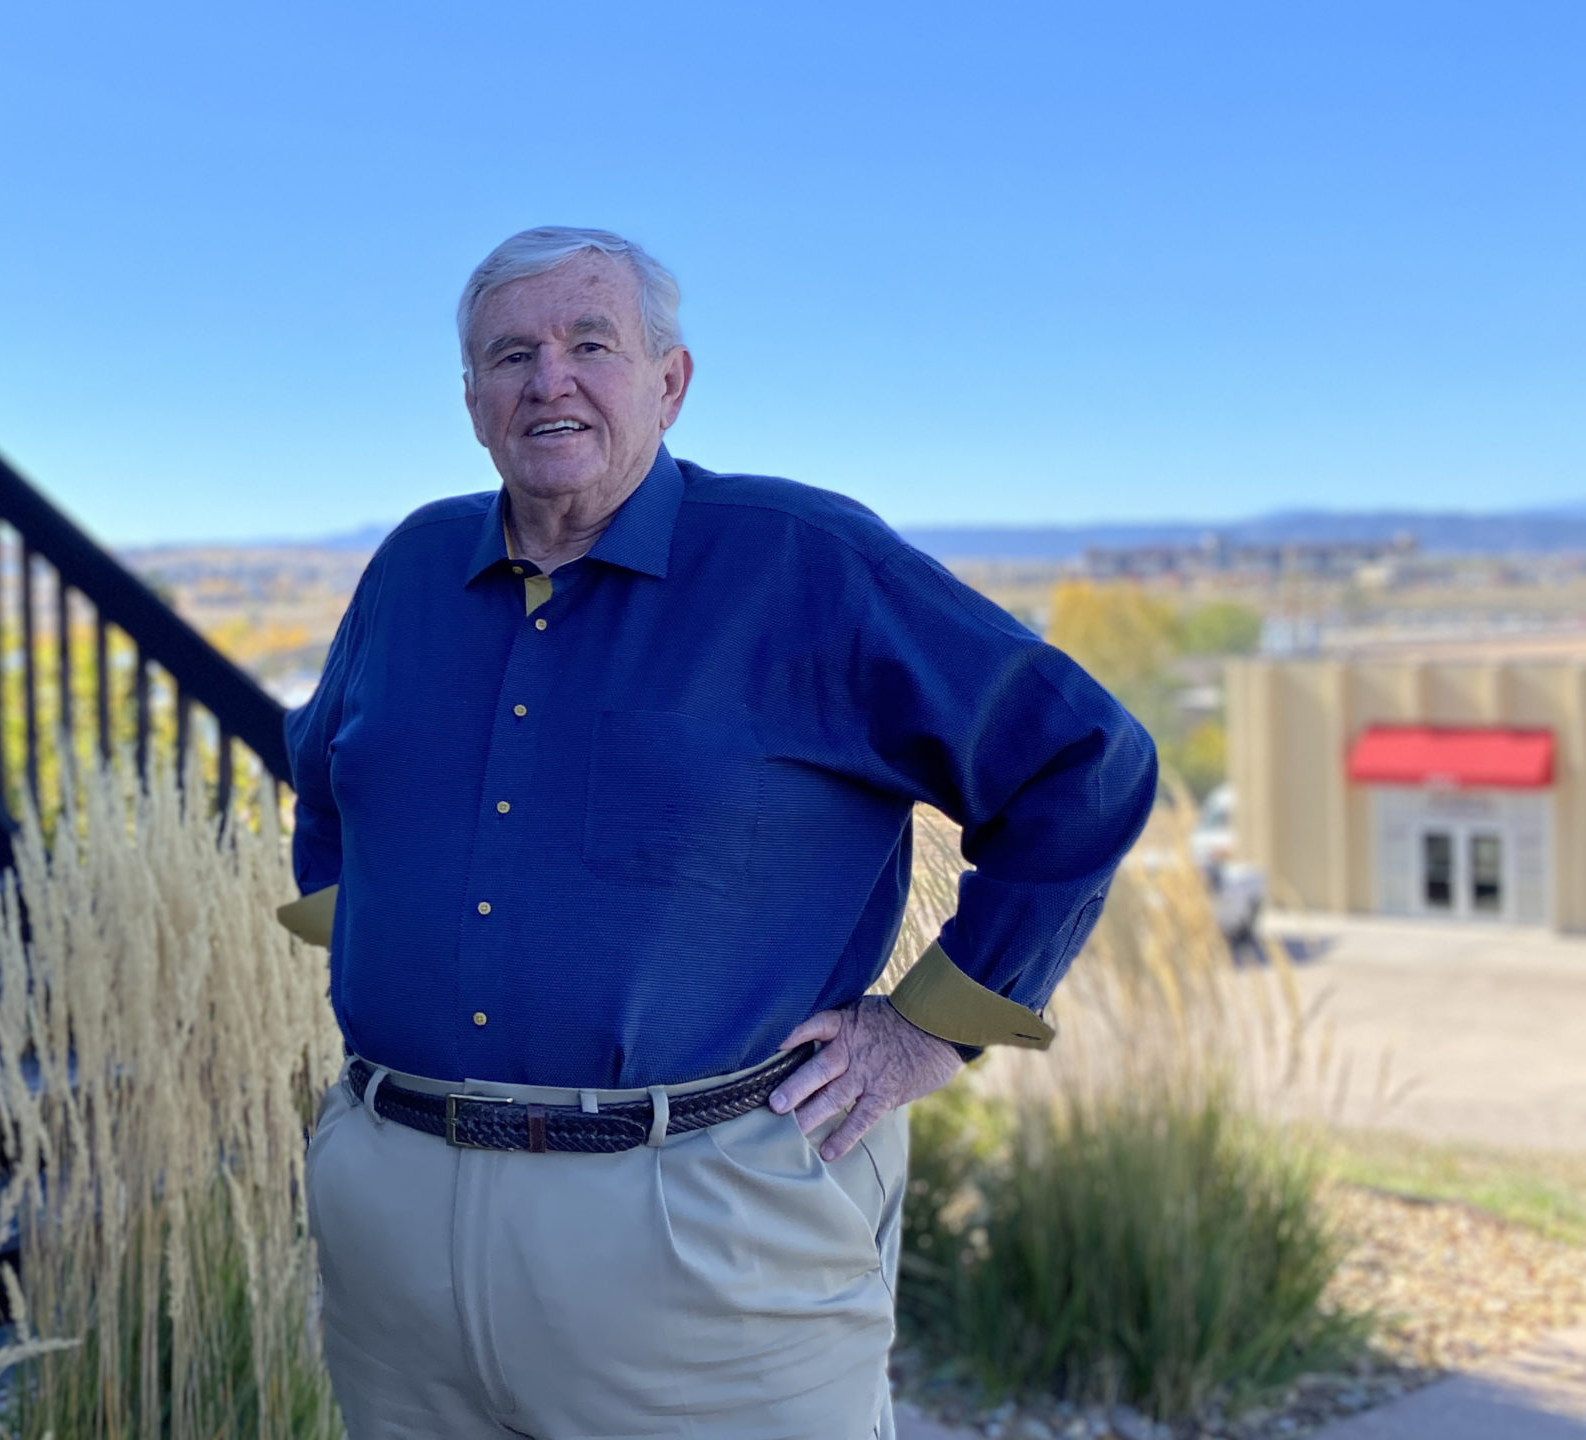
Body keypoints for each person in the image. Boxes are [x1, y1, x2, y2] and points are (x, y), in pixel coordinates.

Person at [279, 226, 1157, 1439]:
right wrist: (379, 945)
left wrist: (927, 1030)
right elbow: (324, 773)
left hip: (704, 1233)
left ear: (669, 381)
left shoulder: (806, 563)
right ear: (473, 401)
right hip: (396, 1233)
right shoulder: (412, 568)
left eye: (593, 343)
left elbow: (1081, 762)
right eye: (510, 355)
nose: (550, 380)